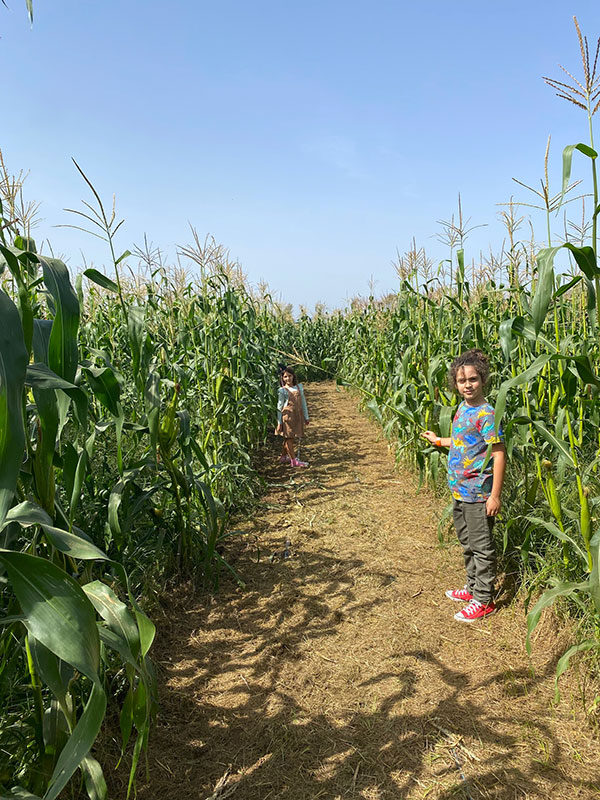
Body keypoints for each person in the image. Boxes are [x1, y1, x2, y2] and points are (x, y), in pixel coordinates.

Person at [421, 349, 506, 622]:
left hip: (479, 492)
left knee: (482, 546)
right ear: (455, 385)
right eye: (462, 381)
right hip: (460, 490)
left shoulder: (487, 413)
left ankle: (484, 599)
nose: (467, 384)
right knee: (467, 542)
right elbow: (461, 442)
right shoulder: (463, 408)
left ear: (483, 380)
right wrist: (438, 440)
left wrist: (494, 496)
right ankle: (473, 587)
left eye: (473, 379)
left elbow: (498, 453)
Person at [275, 366, 309, 467]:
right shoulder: (282, 390)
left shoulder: (299, 387)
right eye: (285, 377)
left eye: (289, 376)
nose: (287, 379)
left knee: (289, 438)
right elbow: (279, 406)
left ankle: (283, 456)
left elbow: (303, 403)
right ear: (282, 378)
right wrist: (279, 422)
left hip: (297, 416)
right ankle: (294, 461)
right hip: (287, 417)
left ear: (293, 376)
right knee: (289, 438)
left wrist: (306, 417)